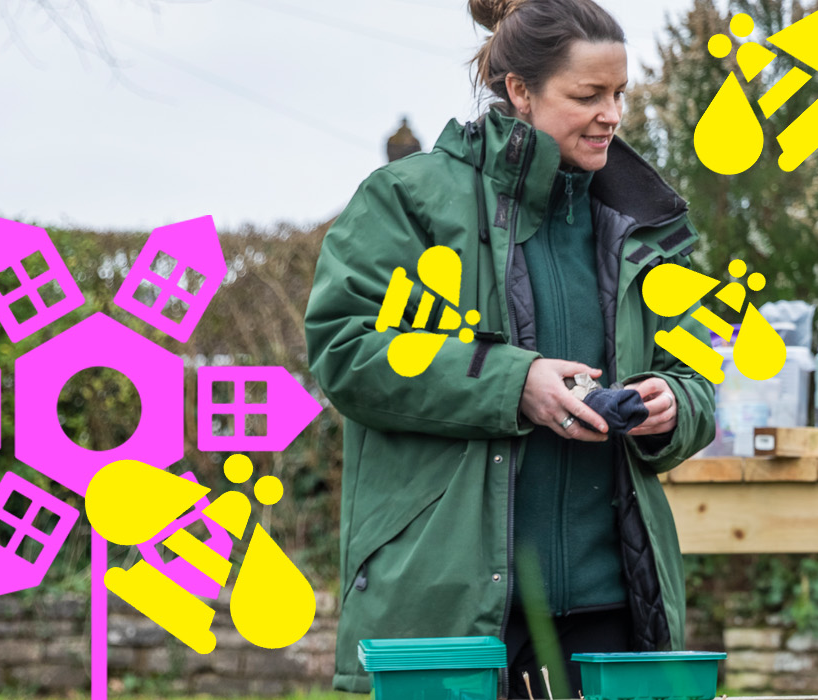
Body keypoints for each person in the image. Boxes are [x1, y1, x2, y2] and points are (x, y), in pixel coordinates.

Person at [303, 0, 715, 693]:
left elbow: (698, 375)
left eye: (619, 94)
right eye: (587, 96)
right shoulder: (408, 201)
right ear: (520, 92)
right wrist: (512, 383)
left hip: (613, 609)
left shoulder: (646, 227)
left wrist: (676, 402)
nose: (612, 115)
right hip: (449, 604)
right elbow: (346, 351)